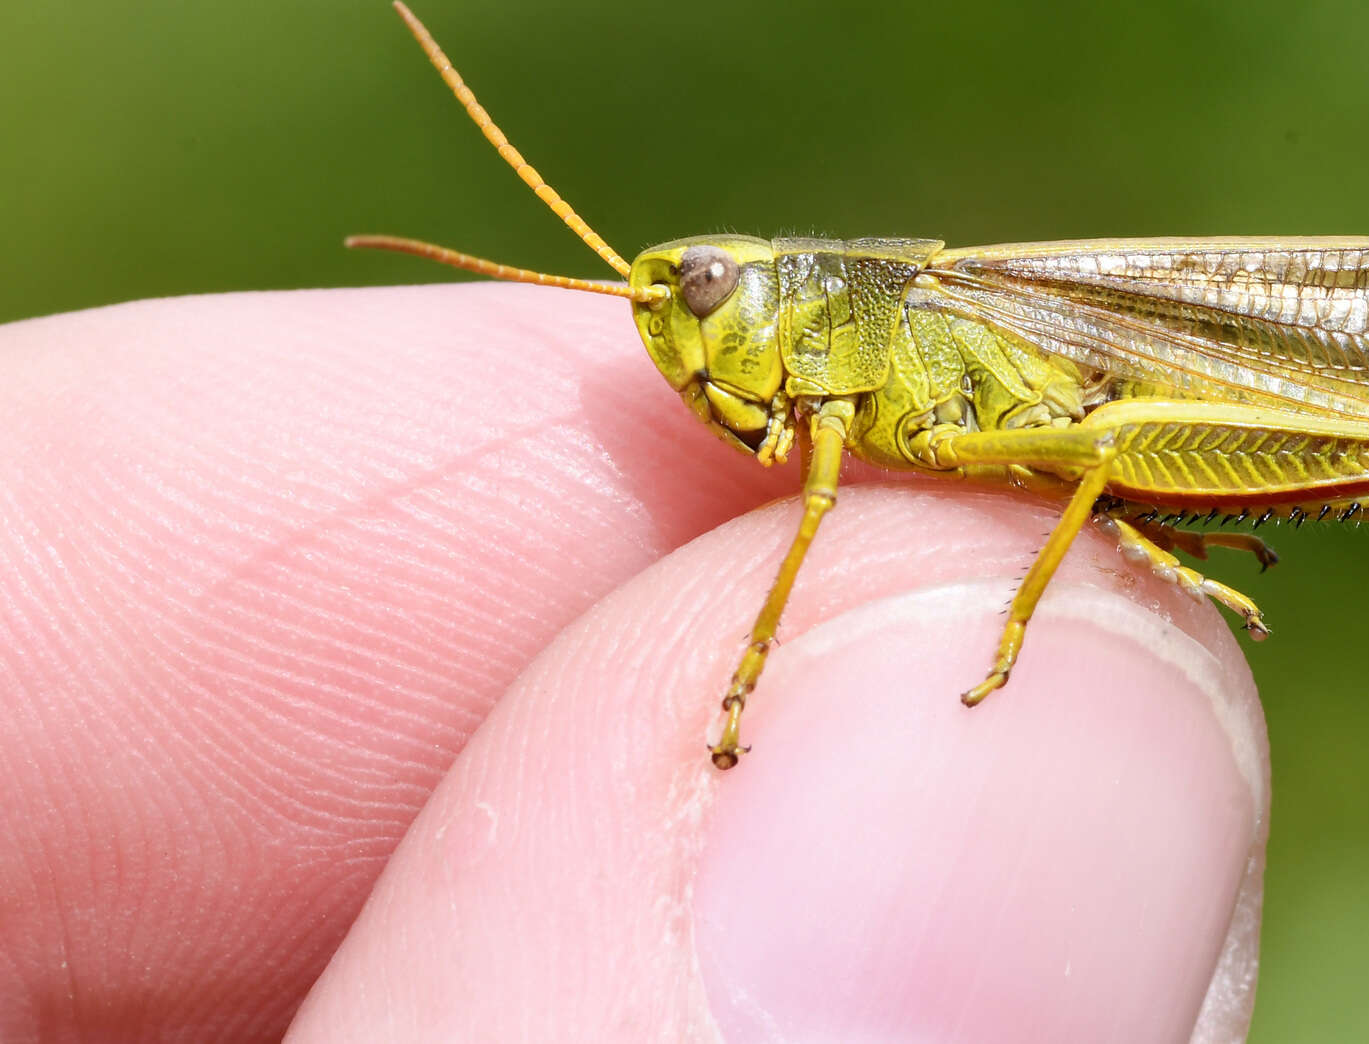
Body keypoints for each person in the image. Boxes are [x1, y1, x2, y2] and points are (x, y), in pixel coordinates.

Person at [0, 284, 1268, 1042]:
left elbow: (1084, 449)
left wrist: (998, 636)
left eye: (704, 294)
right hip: (1116, 437)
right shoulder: (836, 393)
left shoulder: (902, 327)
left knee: (1073, 461)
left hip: (1220, 391)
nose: (682, 331)